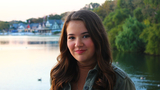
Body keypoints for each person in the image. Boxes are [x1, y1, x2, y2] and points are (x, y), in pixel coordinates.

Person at [50, 10, 136, 90]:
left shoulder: (120, 82)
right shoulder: (58, 75)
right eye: (72, 37)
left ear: (98, 37)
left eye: (85, 36)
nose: (78, 44)